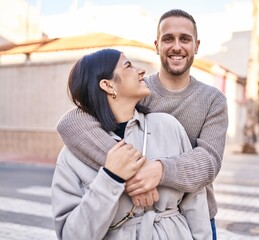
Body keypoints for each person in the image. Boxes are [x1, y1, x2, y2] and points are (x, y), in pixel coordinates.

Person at [57, 9, 228, 239]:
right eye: (168, 39)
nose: (176, 46)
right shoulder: (138, 91)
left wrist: (157, 171)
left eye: (185, 39)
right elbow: (71, 123)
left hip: (194, 217)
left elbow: (208, 162)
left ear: (196, 46)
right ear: (157, 45)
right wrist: (129, 172)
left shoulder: (212, 99)